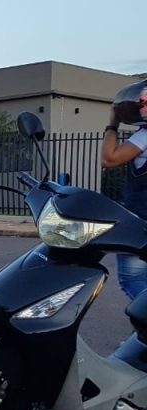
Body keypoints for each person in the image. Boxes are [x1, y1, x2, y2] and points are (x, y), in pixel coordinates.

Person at [101, 79, 147, 300]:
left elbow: (109, 159)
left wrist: (113, 124)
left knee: (134, 280)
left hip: (141, 222)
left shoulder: (144, 135)